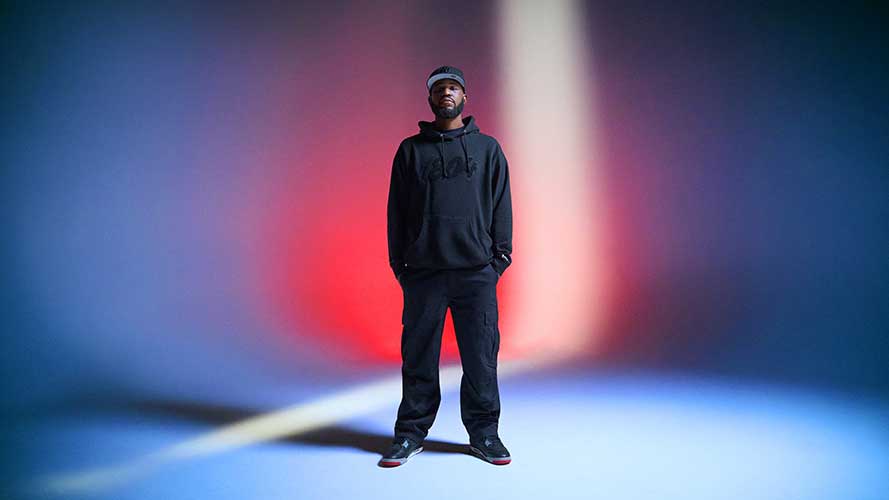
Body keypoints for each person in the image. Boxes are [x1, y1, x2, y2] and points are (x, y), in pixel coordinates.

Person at [380, 66, 513, 467]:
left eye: (453, 87)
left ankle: (484, 434)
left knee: (481, 358)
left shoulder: (488, 149)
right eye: (439, 89)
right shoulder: (410, 151)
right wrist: (400, 264)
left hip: (476, 272)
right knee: (418, 357)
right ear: (431, 99)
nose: (446, 93)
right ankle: (409, 434)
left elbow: (502, 204)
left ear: (464, 97)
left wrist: (500, 258)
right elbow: (396, 211)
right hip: (424, 272)